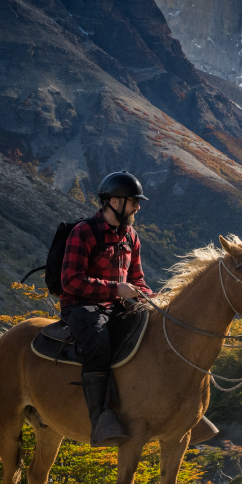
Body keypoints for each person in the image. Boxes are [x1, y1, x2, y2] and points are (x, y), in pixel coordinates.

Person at [59, 171, 153, 447]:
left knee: (151, 330)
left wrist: (151, 297)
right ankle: (101, 419)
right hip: (81, 306)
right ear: (113, 201)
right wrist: (115, 289)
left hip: (116, 304)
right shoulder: (84, 232)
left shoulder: (131, 235)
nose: (137, 206)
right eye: (133, 201)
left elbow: (136, 279)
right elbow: (71, 281)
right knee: (99, 340)